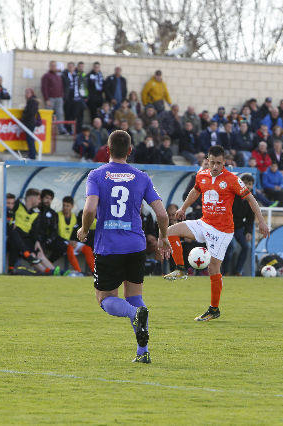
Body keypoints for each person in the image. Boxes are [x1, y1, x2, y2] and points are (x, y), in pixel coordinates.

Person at [77, 129, 171, 364]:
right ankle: (143, 351)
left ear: (107, 150)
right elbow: (161, 212)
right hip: (135, 245)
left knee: (105, 299)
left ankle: (133, 314)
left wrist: (85, 230)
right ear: (130, 151)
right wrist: (163, 238)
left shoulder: (97, 175)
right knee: (135, 296)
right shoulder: (142, 177)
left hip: (108, 246)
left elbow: (89, 209)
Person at [164, 145, 270, 321]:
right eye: (211, 162)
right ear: (207, 160)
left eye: (218, 163)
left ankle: (214, 309)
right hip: (204, 223)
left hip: (222, 231)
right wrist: (183, 208)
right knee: (171, 231)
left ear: (224, 163)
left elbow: (250, 198)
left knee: (213, 268)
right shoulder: (202, 175)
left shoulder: (232, 179)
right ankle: (181, 269)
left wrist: (261, 221)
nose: (214, 167)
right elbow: (195, 191)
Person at [224, 173, 256, 276]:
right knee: (231, 247)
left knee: (246, 247)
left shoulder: (251, 200)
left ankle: (238, 271)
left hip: (238, 227)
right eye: (245, 183)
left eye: (250, 184)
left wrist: (248, 232)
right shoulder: (231, 195)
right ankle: (225, 272)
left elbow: (250, 218)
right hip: (226, 227)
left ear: (252, 186)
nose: (247, 186)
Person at [41, 61, 65, 134]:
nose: (53, 67)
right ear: (49, 66)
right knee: (48, 114)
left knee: (60, 114)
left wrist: (62, 97)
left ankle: (61, 130)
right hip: (50, 99)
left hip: (59, 98)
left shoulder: (58, 76)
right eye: (52, 66)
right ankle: (47, 129)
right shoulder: (46, 76)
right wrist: (46, 99)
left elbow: (61, 87)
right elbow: (44, 88)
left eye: (54, 66)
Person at [21, 88, 39, 160]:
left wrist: (24, 116)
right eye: (26, 92)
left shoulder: (32, 101)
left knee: (30, 139)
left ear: (32, 93)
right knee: (30, 139)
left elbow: (31, 113)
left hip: (30, 122)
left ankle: (32, 155)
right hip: (30, 122)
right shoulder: (31, 101)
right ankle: (32, 154)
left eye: (28, 93)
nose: (26, 94)